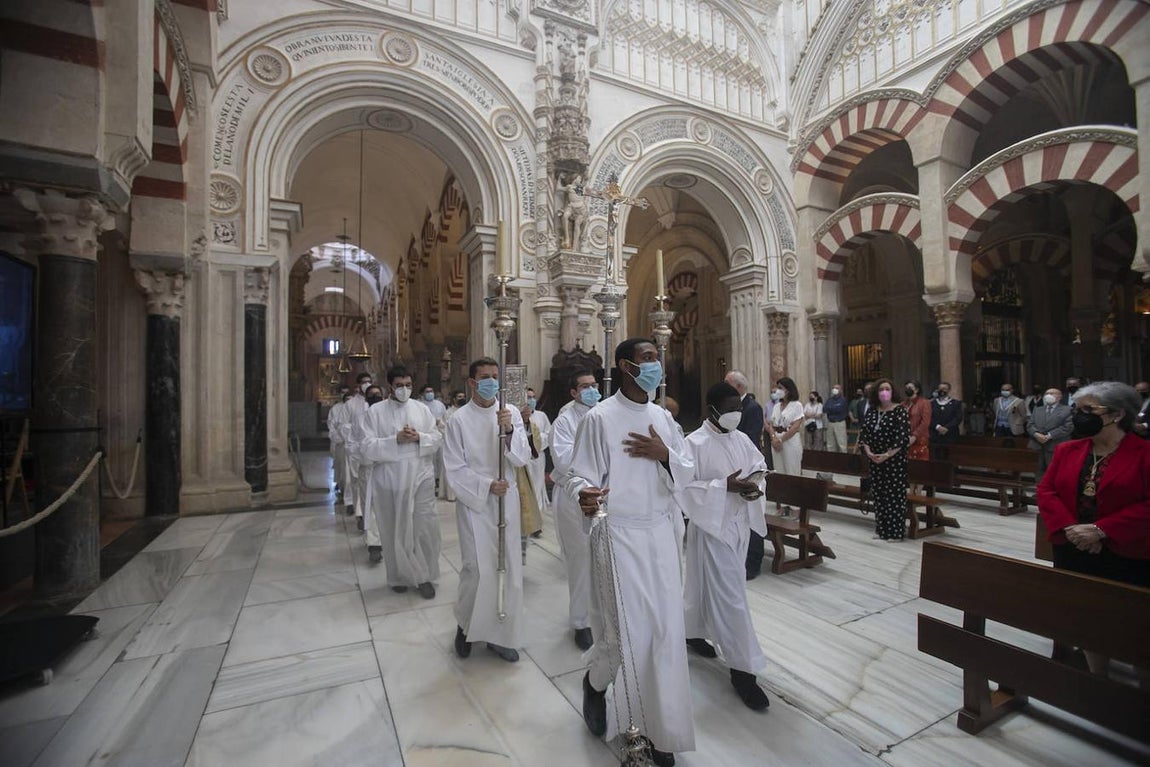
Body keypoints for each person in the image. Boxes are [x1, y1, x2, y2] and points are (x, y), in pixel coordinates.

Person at [567, 337, 695, 766]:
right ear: (625, 366)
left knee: (664, 635)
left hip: (660, 534)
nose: (657, 364)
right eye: (648, 358)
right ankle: (596, 685)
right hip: (619, 534)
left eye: (657, 357)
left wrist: (664, 455)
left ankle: (661, 732)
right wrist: (585, 493)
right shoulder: (600, 418)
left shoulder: (662, 416)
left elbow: (686, 473)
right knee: (625, 639)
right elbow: (579, 475)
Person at [1037, 382, 1150, 678]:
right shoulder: (1067, 450)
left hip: (1126, 554)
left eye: (1089, 410)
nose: (1079, 416)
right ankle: (1097, 678)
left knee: (1131, 625)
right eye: (1077, 410)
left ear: (1115, 415)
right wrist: (1072, 529)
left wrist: (1101, 530)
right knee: (1085, 619)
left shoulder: (1144, 454)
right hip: (1074, 548)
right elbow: (1047, 491)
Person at [677, 381, 771, 711]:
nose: (736, 413)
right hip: (711, 526)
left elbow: (760, 467)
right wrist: (724, 487)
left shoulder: (741, 438)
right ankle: (743, 669)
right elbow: (684, 488)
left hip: (738, 523)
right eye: (730, 408)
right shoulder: (694, 443)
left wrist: (753, 486)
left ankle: (690, 630)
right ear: (712, 409)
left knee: (701, 585)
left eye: (739, 407)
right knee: (732, 596)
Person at [443, 357, 531, 663]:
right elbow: (454, 468)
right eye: (485, 377)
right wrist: (485, 485)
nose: (492, 381)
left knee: (509, 569)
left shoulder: (510, 415)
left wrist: (508, 431)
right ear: (471, 383)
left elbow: (521, 458)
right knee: (477, 570)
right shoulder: (458, 420)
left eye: (495, 376)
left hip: (505, 502)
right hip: (475, 502)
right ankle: (465, 625)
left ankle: (502, 635)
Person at [358, 368, 442, 598]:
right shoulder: (375, 412)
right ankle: (398, 576)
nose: (404, 389)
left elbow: (436, 438)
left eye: (408, 384)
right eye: (399, 384)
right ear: (390, 387)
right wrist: (394, 439)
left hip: (420, 474)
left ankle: (425, 576)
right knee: (393, 527)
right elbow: (365, 447)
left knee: (424, 526)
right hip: (389, 478)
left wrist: (419, 437)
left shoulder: (421, 409)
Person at [550, 370, 600, 650]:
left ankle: (601, 616)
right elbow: (563, 460)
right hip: (574, 496)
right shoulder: (565, 420)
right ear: (573, 392)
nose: (592, 390)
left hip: (604, 494)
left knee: (602, 558)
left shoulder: (604, 413)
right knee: (580, 561)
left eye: (594, 385)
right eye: (585, 387)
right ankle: (581, 623)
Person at [858, 379, 910, 541]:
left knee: (894, 496)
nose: (884, 392)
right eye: (881, 389)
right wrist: (869, 452)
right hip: (874, 459)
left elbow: (901, 437)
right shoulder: (872, 411)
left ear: (892, 392)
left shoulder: (900, 411)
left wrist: (887, 455)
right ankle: (882, 529)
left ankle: (895, 532)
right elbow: (865, 433)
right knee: (879, 495)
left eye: (887, 389)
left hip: (894, 461)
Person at [764, 377, 804, 514]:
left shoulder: (797, 405)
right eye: (777, 387)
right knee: (780, 473)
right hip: (776, 441)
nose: (778, 390)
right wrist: (774, 438)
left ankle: (795, 508)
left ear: (788, 390)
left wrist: (781, 440)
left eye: (781, 388)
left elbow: (795, 426)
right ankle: (782, 506)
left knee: (792, 473)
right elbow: (770, 424)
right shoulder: (776, 406)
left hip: (790, 441)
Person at [520, 387, 552, 538]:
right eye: (528, 397)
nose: (531, 400)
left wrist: (537, 441)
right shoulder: (516, 416)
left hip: (538, 457)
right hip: (523, 459)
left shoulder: (541, 415)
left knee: (538, 486)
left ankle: (536, 523)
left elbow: (548, 434)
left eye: (533, 397)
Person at [1026, 387, 1073, 480]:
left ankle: (1053, 492)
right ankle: (1039, 492)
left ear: (1060, 397)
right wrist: (1036, 434)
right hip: (1037, 445)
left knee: (1054, 472)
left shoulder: (1067, 410)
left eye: (1052, 393)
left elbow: (1068, 427)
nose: (1048, 395)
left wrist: (1049, 436)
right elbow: (1030, 425)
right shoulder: (1038, 409)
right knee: (1038, 471)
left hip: (1055, 445)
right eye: (1047, 393)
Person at [440, 390, 467, 501]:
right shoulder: (448, 412)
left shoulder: (467, 411)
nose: (462, 398)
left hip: (466, 444)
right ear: (454, 399)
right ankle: (451, 495)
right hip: (451, 444)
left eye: (463, 396)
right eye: (459, 396)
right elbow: (442, 428)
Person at [327, 385, 352, 498]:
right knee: (341, 469)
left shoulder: (356, 410)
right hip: (340, 444)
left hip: (354, 446)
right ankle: (341, 487)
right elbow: (332, 426)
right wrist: (341, 438)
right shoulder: (336, 409)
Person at [901, 381, 931, 461]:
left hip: (919, 438)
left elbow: (925, 422)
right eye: (906, 388)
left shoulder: (924, 403)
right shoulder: (902, 404)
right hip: (905, 438)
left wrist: (914, 436)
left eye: (910, 388)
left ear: (917, 390)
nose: (907, 390)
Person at [929, 382, 963, 452]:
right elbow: (929, 417)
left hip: (951, 435)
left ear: (949, 390)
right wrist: (938, 427)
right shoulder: (932, 404)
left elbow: (958, 418)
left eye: (944, 389)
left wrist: (946, 428)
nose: (942, 390)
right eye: (940, 388)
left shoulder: (956, 403)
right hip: (935, 435)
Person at [823, 384, 849, 453]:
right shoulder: (830, 400)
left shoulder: (843, 400)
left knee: (841, 443)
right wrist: (833, 408)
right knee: (830, 444)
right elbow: (824, 409)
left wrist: (831, 409)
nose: (835, 389)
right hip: (830, 423)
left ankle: (844, 460)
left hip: (839, 423)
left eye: (837, 388)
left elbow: (839, 409)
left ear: (840, 390)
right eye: (834, 388)